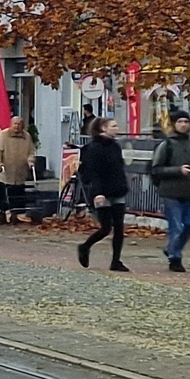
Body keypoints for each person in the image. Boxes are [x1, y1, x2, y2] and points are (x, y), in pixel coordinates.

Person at [149, 108, 190, 272]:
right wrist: (178, 170)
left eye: (186, 122)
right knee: (176, 227)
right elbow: (156, 169)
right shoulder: (166, 145)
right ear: (174, 124)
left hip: (188, 192)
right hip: (170, 192)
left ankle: (172, 248)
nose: (184, 125)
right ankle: (175, 258)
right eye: (180, 122)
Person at [76, 116, 131, 271]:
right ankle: (85, 246)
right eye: (113, 126)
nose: (116, 128)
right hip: (102, 192)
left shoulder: (115, 146)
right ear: (103, 128)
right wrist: (98, 192)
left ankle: (116, 260)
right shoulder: (93, 148)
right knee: (106, 227)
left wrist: (123, 183)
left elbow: (118, 168)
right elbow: (92, 173)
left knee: (119, 227)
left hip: (117, 189)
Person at [0, 119, 36, 225]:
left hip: (19, 171)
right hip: (4, 171)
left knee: (17, 194)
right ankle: (2, 213)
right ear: (11, 124)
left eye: (19, 124)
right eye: (15, 124)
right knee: (1, 194)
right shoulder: (4, 135)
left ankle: (15, 214)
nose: (17, 126)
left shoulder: (27, 137)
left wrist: (31, 161)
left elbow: (31, 152)